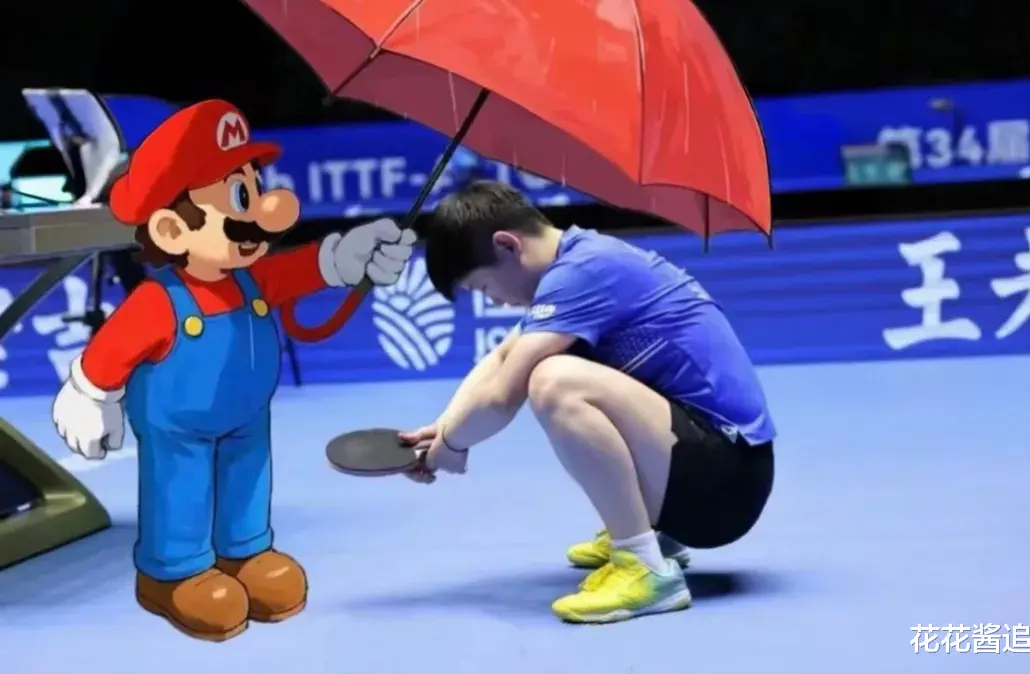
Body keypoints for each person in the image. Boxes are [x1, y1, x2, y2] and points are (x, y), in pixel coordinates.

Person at [50, 100, 416, 642]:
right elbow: (114, 345)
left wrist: (348, 255)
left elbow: (303, 268)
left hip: (246, 417)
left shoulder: (251, 278)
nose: (264, 211)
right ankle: (171, 573)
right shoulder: (160, 300)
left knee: (248, 478)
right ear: (172, 228)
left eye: (254, 188)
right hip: (178, 424)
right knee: (180, 487)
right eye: (238, 197)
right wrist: (91, 391)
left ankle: (245, 554)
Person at [401, 181, 775, 624]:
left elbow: (503, 395)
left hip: (727, 485)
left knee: (554, 382)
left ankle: (643, 566)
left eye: (484, 287)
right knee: (546, 368)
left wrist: (452, 446)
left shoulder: (584, 272)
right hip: (709, 470)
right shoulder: (580, 260)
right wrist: (443, 427)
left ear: (507, 245)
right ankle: (648, 532)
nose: (495, 300)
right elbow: (501, 357)